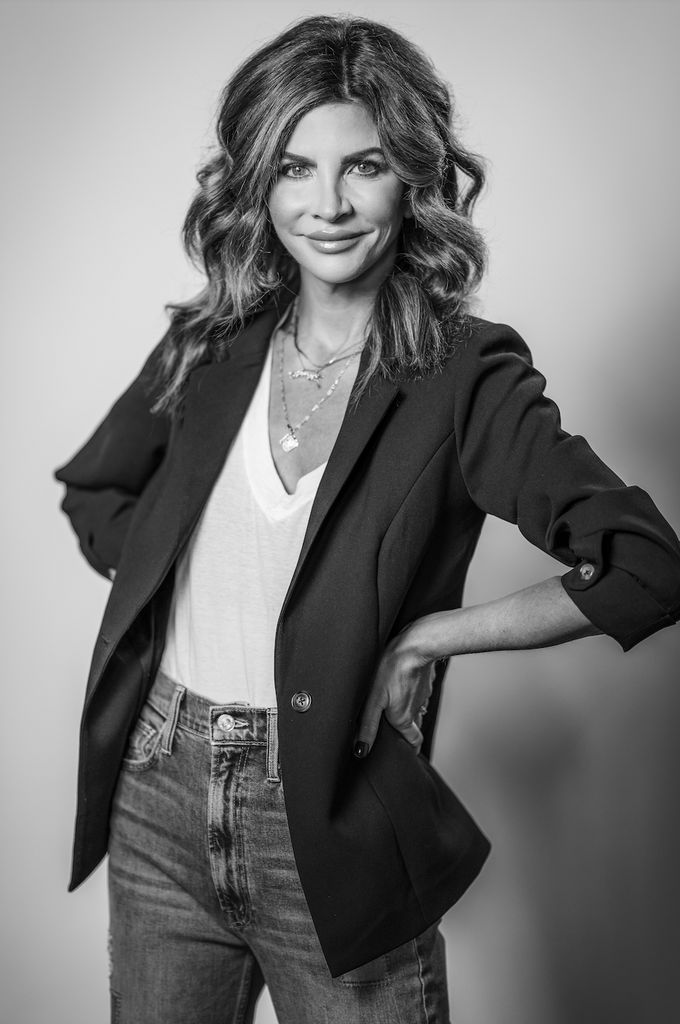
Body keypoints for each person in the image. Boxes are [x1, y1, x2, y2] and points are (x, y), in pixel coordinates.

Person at [55, 14, 680, 1024]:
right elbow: (98, 492)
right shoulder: (213, 344)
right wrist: (185, 587)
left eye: (365, 165)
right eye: (295, 168)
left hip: (333, 816)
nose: (330, 204)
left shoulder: (463, 376)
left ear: (412, 179)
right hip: (159, 794)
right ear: (259, 184)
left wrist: (431, 636)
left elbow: (646, 565)